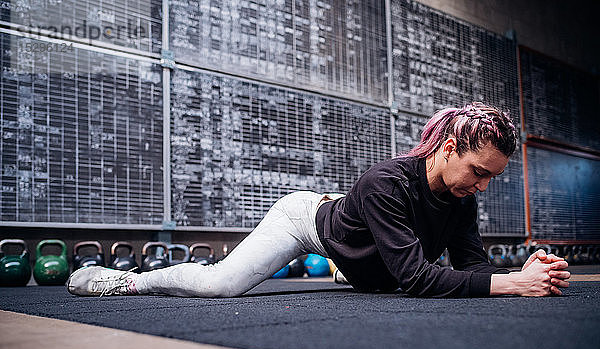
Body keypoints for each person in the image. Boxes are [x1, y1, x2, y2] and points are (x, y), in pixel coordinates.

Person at [67, 102, 570, 298]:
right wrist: (514, 286)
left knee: (381, 265)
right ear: (449, 147)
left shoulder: (462, 195)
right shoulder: (386, 181)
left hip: (363, 225)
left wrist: (523, 272)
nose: (481, 187)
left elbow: (471, 264)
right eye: (478, 173)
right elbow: (416, 278)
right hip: (308, 220)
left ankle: (352, 263)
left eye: (490, 180)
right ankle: (128, 281)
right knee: (221, 285)